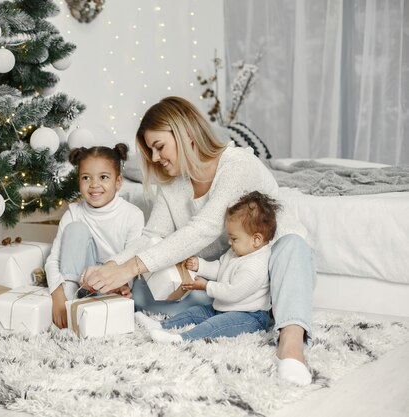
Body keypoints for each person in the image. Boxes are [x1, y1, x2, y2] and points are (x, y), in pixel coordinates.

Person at [82, 96, 316, 386]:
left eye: (159, 147)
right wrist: (112, 265)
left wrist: (130, 268)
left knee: (292, 246)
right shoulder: (173, 184)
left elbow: (203, 229)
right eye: (150, 152)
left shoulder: (238, 164)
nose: (155, 159)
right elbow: (152, 236)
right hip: (226, 275)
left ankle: (291, 347)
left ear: (186, 134)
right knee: (162, 287)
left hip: (270, 264)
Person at [135, 191, 278, 344]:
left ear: (256, 240)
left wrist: (206, 286)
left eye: (234, 238)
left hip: (249, 315)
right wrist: (200, 266)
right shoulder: (238, 251)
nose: (230, 243)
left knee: (213, 325)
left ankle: (179, 339)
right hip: (224, 307)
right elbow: (221, 269)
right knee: (196, 312)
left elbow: (232, 292)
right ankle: (160, 325)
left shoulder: (255, 265)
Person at [45, 143, 144, 329]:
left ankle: (97, 303)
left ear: (118, 181)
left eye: (104, 177)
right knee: (76, 229)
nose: (94, 185)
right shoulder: (74, 212)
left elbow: (133, 258)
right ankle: (71, 298)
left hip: (111, 282)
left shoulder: (132, 215)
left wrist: (123, 285)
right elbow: (53, 259)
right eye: (86, 178)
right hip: (78, 281)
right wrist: (57, 296)